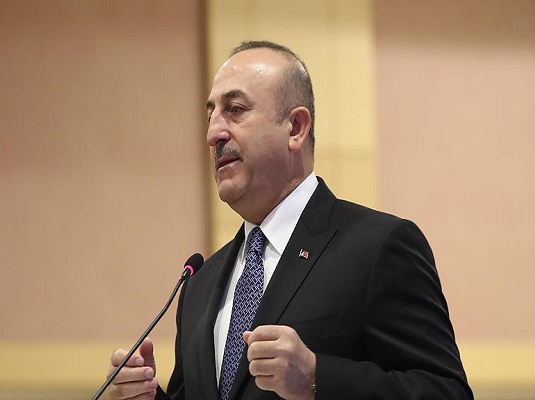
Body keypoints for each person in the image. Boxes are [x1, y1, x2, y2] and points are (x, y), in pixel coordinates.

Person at [106, 40, 473, 400]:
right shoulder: (198, 285)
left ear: (295, 128)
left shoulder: (378, 248)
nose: (213, 134)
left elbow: (446, 391)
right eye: (210, 116)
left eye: (235, 109)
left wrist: (316, 378)